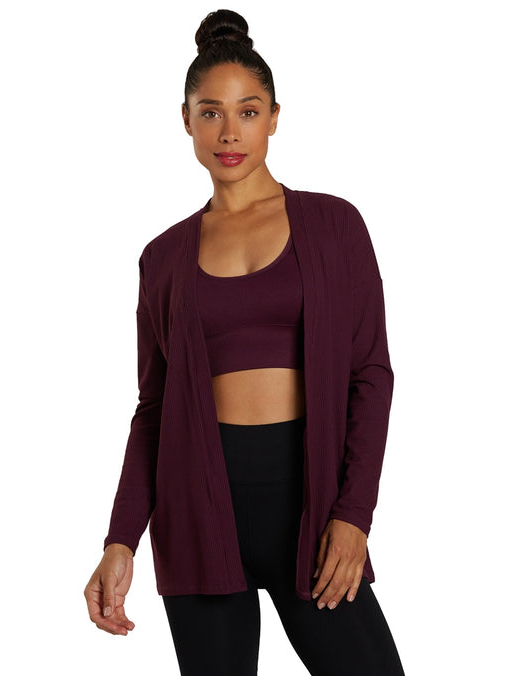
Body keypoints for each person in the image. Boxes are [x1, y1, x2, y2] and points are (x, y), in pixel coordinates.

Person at [84, 9, 405, 675]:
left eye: (248, 112)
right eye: (210, 113)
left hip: (312, 507)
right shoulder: (162, 258)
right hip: (198, 512)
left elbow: (370, 376)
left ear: (275, 118)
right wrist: (120, 540)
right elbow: (154, 410)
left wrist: (354, 515)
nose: (229, 132)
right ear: (186, 121)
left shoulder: (335, 224)